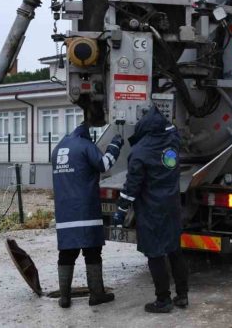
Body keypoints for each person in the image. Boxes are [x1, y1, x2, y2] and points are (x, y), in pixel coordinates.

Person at [112, 106, 189, 313]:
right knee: (175, 250)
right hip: (172, 206)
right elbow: (173, 130)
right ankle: (182, 295)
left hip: (151, 210)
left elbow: (132, 186)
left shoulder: (139, 152)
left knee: (155, 254)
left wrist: (121, 209)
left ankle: (163, 300)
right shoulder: (172, 143)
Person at [52, 122, 124, 308]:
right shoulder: (85, 146)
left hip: (64, 211)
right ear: (87, 135)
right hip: (85, 211)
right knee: (92, 252)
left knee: (66, 253)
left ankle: (65, 298)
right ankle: (96, 295)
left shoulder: (59, 147)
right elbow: (105, 164)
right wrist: (115, 145)